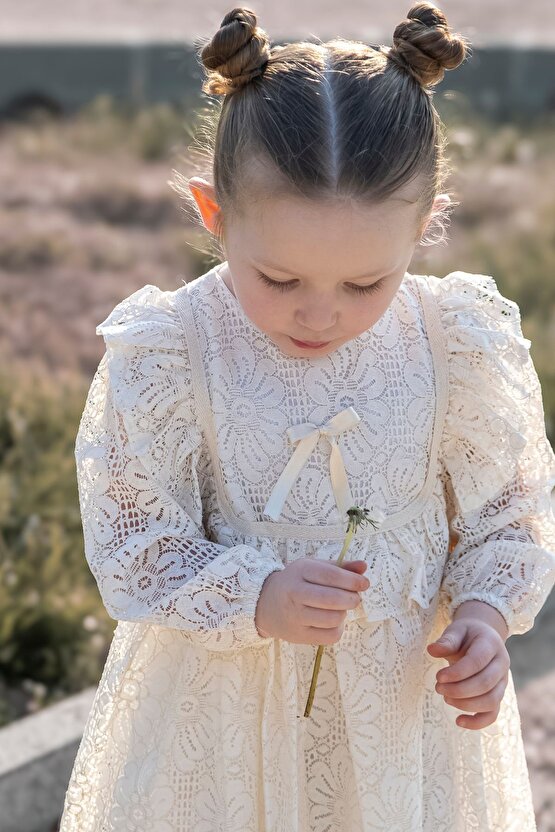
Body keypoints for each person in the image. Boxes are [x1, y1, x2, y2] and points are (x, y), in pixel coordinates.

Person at [59, 4, 555, 830]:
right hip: (221, 721)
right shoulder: (172, 351)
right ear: (213, 213)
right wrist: (255, 597)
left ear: (424, 226)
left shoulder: (456, 343)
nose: (319, 315)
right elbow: (133, 539)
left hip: (401, 717)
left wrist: (480, 618)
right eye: (279, 279)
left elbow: (509, 511)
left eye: (365, 284)